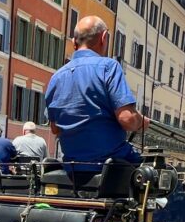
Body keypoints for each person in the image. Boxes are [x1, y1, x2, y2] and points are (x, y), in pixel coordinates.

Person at [45, 15, 149, 167]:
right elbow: (127, 119)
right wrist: (141, 121)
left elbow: (55, 128)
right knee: (160, 175)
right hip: (111, 165)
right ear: (104, 37)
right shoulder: (109, 67)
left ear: (74, 42)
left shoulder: (56, 77)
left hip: (72, 165)